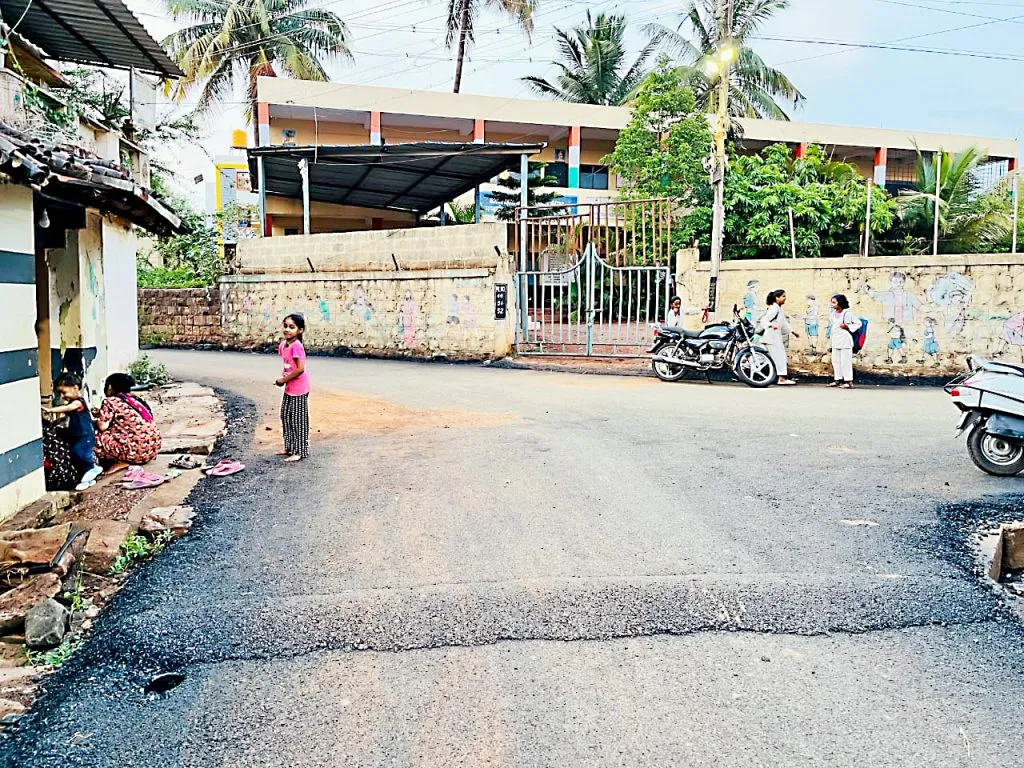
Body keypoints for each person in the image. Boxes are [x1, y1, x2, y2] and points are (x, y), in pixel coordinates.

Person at [42, 373, 102, 490]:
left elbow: (68, 409)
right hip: (78, 434)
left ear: (75, 388)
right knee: (76, 453)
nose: (63, 396)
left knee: (81, 453)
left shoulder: (79, 402)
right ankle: (87, 478)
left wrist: (50, 410)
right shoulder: (72, 404)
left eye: (64, 392)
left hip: (85, 434)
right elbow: (67, 416)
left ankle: (92, 468)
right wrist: (56, 422)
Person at [94, 373, 162, 468]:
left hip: (135, 452)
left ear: (109, 387)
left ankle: (119, 460)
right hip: (151, 449)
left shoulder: (110, 401)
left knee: (93, 434)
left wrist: (95, 419)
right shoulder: (135, 399)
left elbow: (102, 426)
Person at [276, 313, 311, 462]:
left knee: (298, 419)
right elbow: (288, 365)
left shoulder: (297, 346)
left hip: (299, 388)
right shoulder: (283, 345)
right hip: (290, 387)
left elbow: (300, 369)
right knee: (285, 415)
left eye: (292, 327)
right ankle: (289, 446)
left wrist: (283, 379)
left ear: (300, 330)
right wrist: (284, 378)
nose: (287, 330)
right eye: (285, 326)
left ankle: (300, 450)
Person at [760, 290, 799, 385]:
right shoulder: (774, 309)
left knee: (770, 358)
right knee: (780, 357)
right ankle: (781, 378)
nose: (785, 298)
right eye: (783, 296)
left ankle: (775, 377)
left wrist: (793, 332)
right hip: (772, 337)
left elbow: (784, 323)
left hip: (773, 337)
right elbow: (764, 320)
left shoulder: (778, 309)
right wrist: (770, 325)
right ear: (777, 298)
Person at [828, 294, 862, 389]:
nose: (832, 304)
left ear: (840, 302)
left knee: (845, 361)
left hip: (845, 340)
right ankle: (838, 379)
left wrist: (847, 326)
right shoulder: (833, 314)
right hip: (835, 339)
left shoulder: (848, 314)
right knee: (836, 361)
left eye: (834, 302)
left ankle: (848, 381)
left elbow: (858, 323)